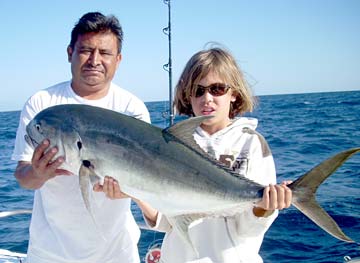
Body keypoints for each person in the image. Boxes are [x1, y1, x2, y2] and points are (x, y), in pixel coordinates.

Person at [12, 12, 150, 263]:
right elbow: (23, 176)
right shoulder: (42, 105)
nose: (94, 60)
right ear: (70, 53)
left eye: (105, 53)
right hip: (50, 254)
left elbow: (145, 179)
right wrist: (37, 173)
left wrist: (127, 190)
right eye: (86, 50)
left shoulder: (132, 108)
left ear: (118, 59)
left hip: (117, 254)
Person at [140, 47, 292, 263]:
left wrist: (263, 208)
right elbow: (167, 222)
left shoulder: (251, 144)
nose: (207, 98)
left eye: (217, 89)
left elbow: (248, 230)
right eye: (198, 90)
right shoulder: (171, 144)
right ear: (187, 95)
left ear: (234, 94)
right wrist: (131, 190)